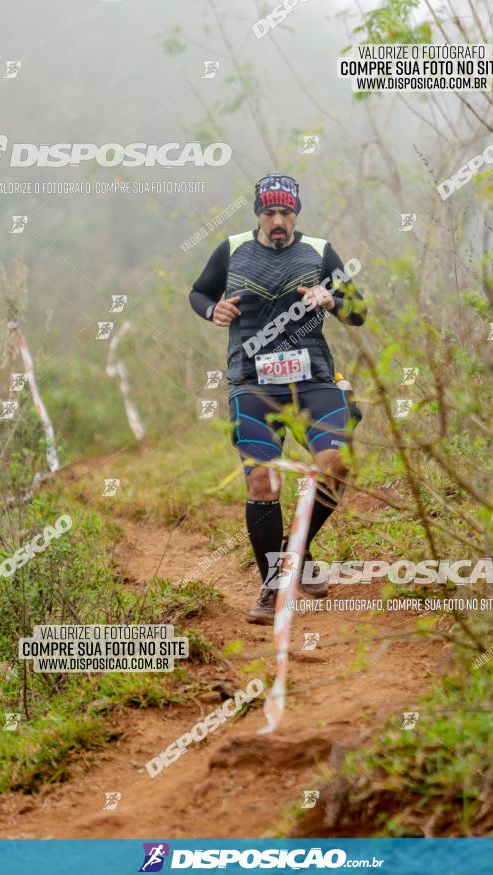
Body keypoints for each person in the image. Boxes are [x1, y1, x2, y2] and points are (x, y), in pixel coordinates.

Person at [189, 173, 367, 624]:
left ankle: (298, 551)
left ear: (296, 214)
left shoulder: (320, 251)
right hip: (251, 382)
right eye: (269, 212)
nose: (277, 221)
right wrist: (214, 310)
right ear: (258, 215)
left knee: (338, 464)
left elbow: (359, 312)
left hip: (314, 378)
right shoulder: (231, 250)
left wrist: (332, 301)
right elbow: (200, 292)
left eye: (285, 212)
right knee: (263, 483)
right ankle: (272, 586)